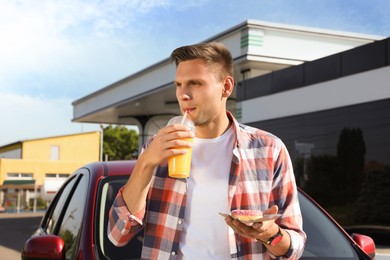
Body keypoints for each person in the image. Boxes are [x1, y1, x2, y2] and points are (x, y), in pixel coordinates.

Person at [108, 42, 306, 259]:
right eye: (179, 84)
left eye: (195, 83)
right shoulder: (158, 146)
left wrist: (270, 234)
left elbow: (294, 246)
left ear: (226, 87)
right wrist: (146, 163)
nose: (183, 95)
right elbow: (118, 234)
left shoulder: (268, 150)